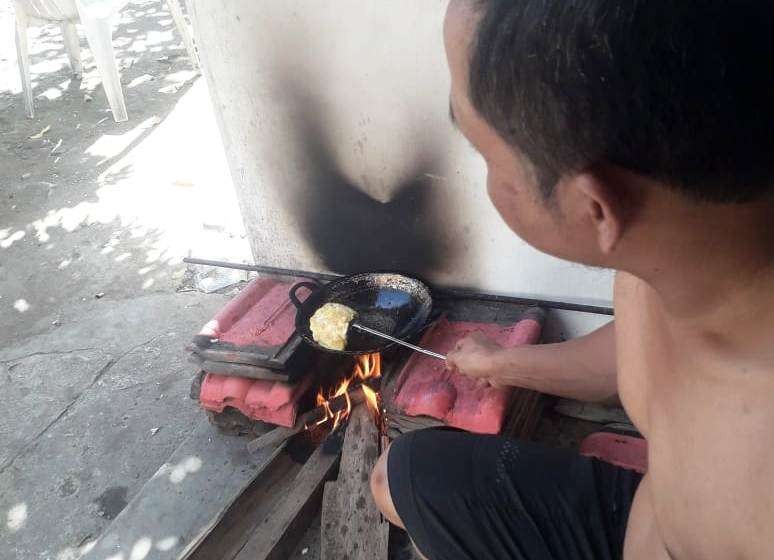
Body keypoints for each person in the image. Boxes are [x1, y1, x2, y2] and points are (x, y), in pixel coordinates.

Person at [369, 1, 774, 558]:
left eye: (485, 155)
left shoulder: (754, 492)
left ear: (596, 208)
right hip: (650, 517)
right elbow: (641, 354)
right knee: (400, 478)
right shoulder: (685, 240)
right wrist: (503, 364)